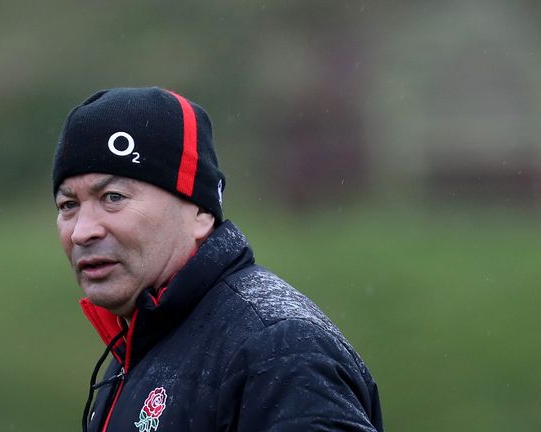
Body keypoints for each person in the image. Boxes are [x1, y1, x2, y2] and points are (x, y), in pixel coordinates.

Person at [52, 87, 384, 432]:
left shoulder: (279, 349)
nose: (81, 232)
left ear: (199, 211)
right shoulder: (142, 343)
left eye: (113, 197)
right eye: (68, 206)